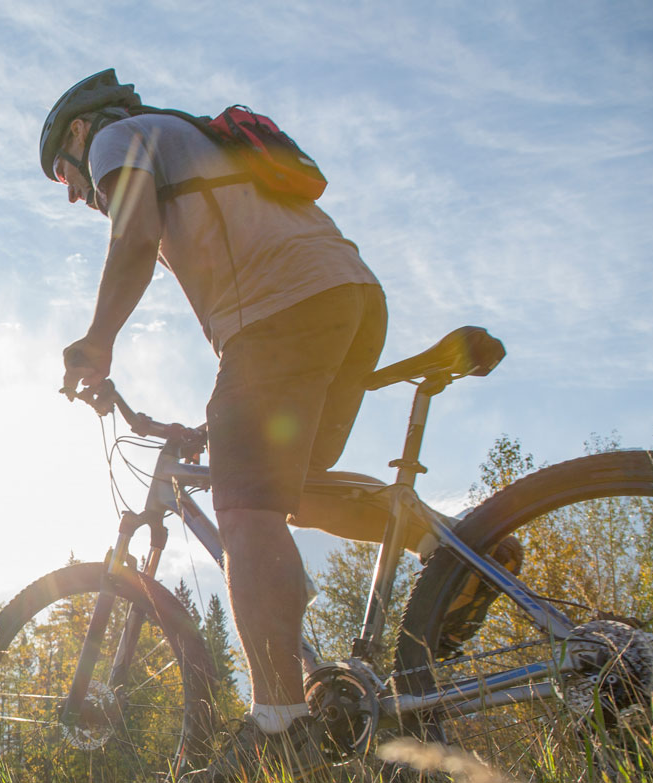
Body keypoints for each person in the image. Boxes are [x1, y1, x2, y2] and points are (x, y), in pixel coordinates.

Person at [42, 69, 392, 778]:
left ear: (79, 133)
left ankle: (280, 728)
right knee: (287, 491)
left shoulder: (117, 137)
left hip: (277, 310)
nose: (76, 194)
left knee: (245, 508)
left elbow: (135, 233)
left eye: (62, 176)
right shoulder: (189, 136)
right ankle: (445, 545)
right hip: (348, 295)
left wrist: (98, 337)